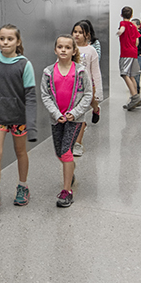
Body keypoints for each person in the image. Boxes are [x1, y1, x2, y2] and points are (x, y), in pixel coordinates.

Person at [0, 24, 38, 212]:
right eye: (2, 38)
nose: (5, 42)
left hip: (19, 117)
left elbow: (30, 96)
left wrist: (32, 124)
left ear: (18, 41)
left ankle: (23, 186)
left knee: (20, 152)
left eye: (10, 39)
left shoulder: (24, 64)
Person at [40, 34, 92, 207]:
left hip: (75, 120)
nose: (63, 50)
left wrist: (75, 113)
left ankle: (66, 191)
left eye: (67, 47)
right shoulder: (48, 72)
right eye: (60, 47)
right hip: (57, 119)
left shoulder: (80, 71)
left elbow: (87, 94)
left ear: (73, 50)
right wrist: (56, 114)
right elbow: (45, 95)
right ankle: (70, 173)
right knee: (59, 152)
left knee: (66, 152)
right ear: (55, 49)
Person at [71, 20, 103, 154]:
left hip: (87, 87)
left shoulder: (91, 51)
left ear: (87, 35)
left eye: (80, 32)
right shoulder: (69, 48)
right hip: (72, 87)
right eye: (75, 32)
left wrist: (99, 91)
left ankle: (78, 144)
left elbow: (95, 71)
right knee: (78, 113)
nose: (77, 35)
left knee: (82, 113)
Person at [117, 6, 141, 109]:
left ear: (121, 15)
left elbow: (122, 29)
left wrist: (120, 32)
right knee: (132, 75)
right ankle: (135, 97)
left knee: (124, 74)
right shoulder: (133, 25)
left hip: (125, 53)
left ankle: (135, 97)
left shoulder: (123, 23)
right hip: (133, 52)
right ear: (132, 15)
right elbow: (137, 41)